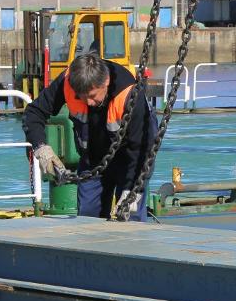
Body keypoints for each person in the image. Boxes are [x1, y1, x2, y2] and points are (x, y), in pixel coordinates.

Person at [23, 52, 156, 221]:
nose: (89, 103)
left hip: (131, 160)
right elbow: (34, 113)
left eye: (93, 96)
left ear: (106, 81)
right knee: (87, 218)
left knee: (130, 218)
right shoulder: (68, 81)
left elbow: (141, 151)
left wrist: (130, 192)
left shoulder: (130, 96)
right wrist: (42, 150)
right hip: (93, 159)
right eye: (82, 97)